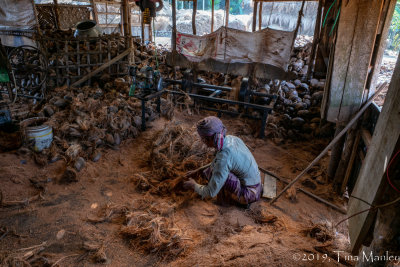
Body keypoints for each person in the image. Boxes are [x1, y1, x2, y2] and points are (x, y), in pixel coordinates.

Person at [183, 116, 262, 207]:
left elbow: (210, 192)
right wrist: (199, 170)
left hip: (250, 194)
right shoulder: (232, 139)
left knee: (214, 173)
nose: (203, 142)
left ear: (209, 139)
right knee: (213, 170)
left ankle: (234, 201)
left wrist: (194, 185)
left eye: (203, 139)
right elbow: (218, 162)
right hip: (257, 185)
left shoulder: (224, 157)